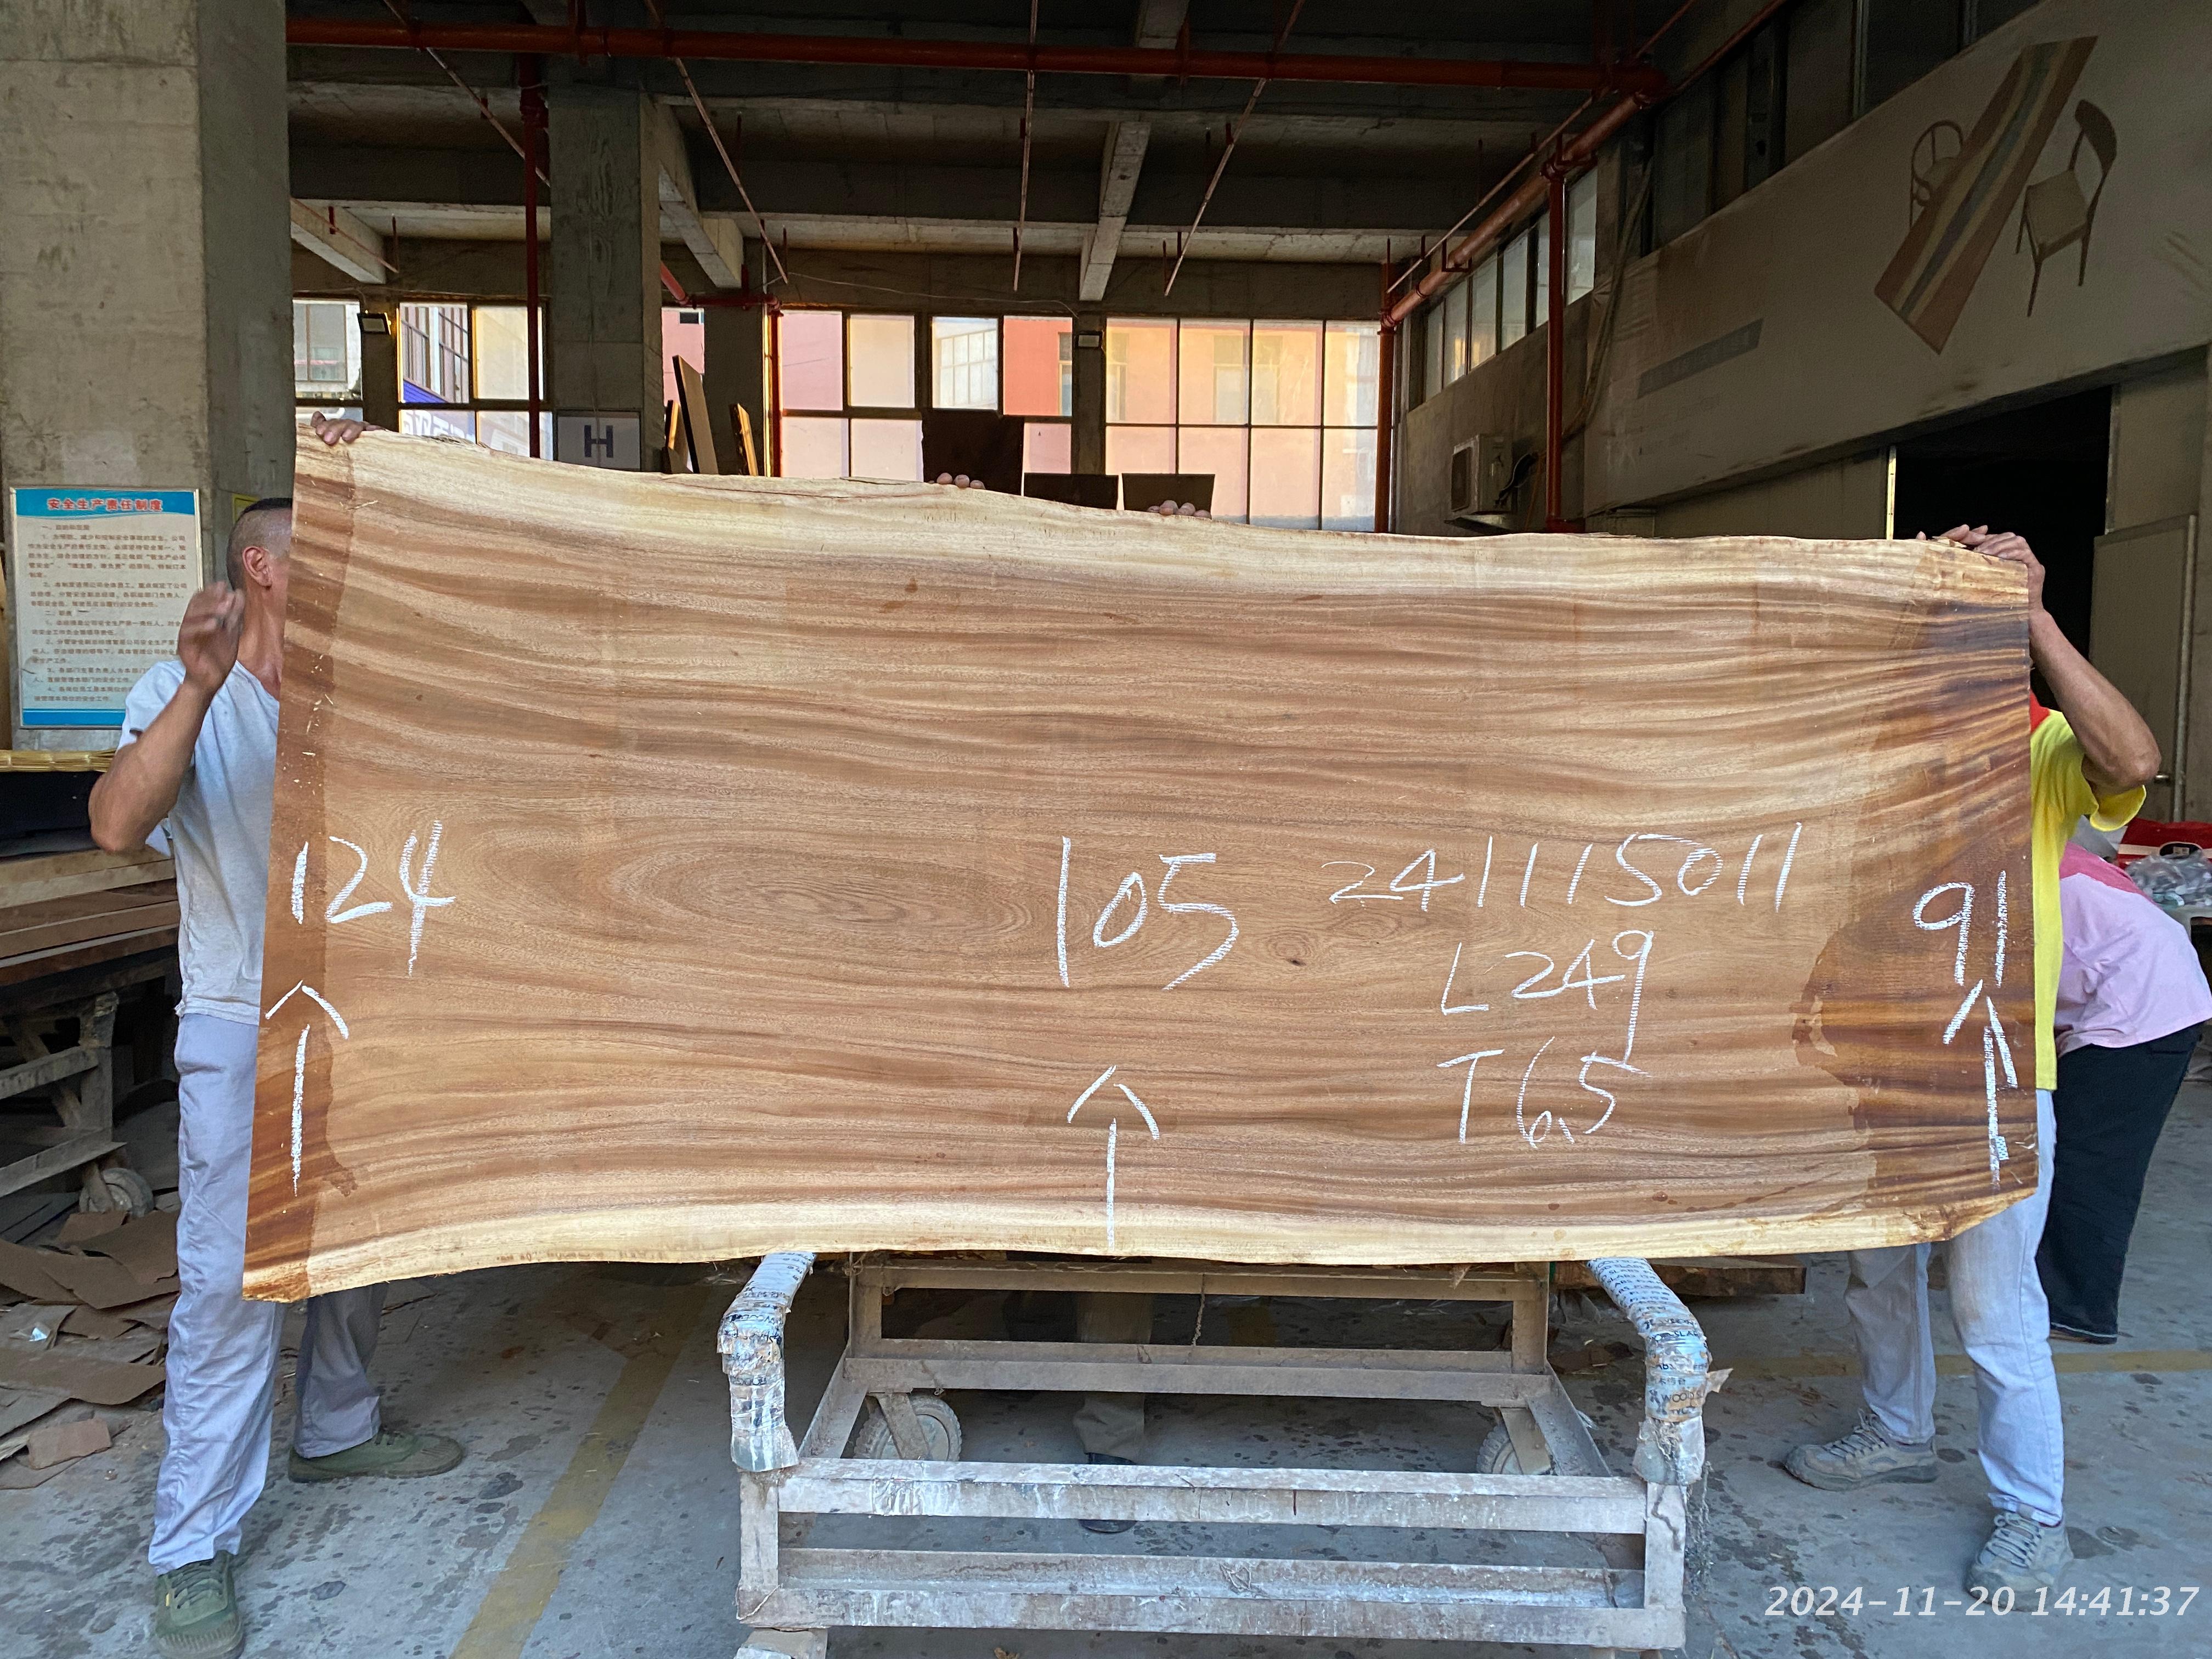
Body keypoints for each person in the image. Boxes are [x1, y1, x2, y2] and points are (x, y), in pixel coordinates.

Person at [90, 415, 464, 1659]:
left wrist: (377, 465)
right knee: (227, 1285)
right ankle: (191, 1543)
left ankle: (337, 1430)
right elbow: (114, 824)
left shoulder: (353, 692)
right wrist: (199, 688)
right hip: (241, 1019)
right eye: (324, 554)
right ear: (264, 568)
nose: (347, 575)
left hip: (356, 1015)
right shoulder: (183, 693)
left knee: (357, 1243)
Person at [1784, 526, 2160, 1595]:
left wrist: (2030, 613)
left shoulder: (2030, 756)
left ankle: (2033, 1515)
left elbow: (2133, 761)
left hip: (1991, 1075)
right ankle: (1897, 1430)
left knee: (1994, 1306)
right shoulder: (1875, 766)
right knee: (1877, 1274)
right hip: (1882, 1072)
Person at [2037, 840, 2209, 1341]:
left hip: (2136, 1013)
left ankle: (2077, 1310)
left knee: (2088, 1162)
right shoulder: (2053, 847)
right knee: (2086, 1157)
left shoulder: (2019, 866)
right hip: (2158, 995)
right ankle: (2057, 1293)